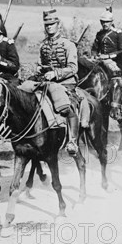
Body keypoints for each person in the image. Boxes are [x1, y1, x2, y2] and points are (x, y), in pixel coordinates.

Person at [36, 9, 81, 155]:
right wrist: (38, 70)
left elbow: (73, 68)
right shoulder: (43, 46)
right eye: (46, 24)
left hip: (65, 83)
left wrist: (55, 73)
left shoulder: (68, 45)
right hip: (47, 82)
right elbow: (40, 64)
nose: (49, 27)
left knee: (66, 107)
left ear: (58, 25)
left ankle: (72, 141)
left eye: (52, 24)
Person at [91, 8, 122, 76]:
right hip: (101, 60)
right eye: (103, 22)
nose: (105, 24)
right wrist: (94, 56)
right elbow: (94, 49)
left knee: (115, 74)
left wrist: (108, 56)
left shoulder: (118, 34)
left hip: (115, 61)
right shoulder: (99, 34)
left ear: (111, 22)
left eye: (107, 22)